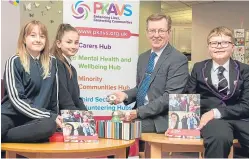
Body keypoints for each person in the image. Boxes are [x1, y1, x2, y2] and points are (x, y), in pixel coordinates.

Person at [108, 13, 189, 154]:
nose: (156, 35)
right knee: (112, 127)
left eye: (161, 31)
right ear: (147, 32)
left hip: (161, 119)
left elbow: (170, 97)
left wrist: (138, 112)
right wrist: (125, 95)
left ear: (169, 33)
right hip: (141, 115)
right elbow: (142, 88)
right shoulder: (144, 57)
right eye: (152, 30)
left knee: (120, 130)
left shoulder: (178, 59)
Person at [184, 26, 249, 157]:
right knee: (219, 138)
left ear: (233, 47)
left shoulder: (244, 70)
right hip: (212, 122)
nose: (219, 46)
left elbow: (246, 105)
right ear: (209, 47)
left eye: (225, 42)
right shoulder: (198, 68)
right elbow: (189, 99)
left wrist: (216, 112)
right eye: (214, 43)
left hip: (240, 118)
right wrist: (178, 126)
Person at [1, 20, 62, 143]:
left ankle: (4, 139)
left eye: (42, 36)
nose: (38, 39)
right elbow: (17, 100)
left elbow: (54, 99)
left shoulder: (53, 63)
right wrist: (50, 116)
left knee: (49, 126)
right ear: (24, 39)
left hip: (35, 119)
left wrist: (55, 118)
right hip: (10, 115)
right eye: (33, 35)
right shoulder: (14, 61)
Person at [51, 24, 87, 111]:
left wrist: (86, 115)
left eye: (76, 42)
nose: (73, 46)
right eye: (69, 42)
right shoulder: (55, 63)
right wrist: (77, 116)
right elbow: (63, 97)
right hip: (59, 118)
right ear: (59, 43)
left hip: (70, 114)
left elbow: (76, 98)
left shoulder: (72, 69)